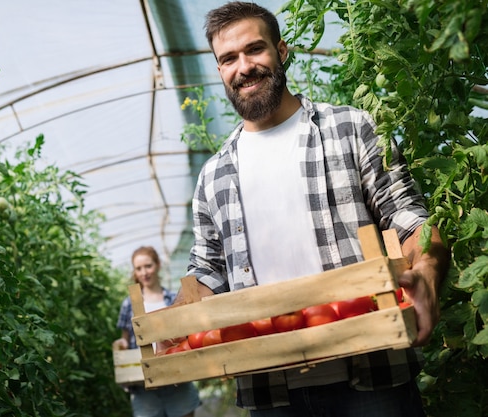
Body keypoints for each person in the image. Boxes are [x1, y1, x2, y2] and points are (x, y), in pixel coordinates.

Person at [175, 2, 451, 416]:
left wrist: (427, 273)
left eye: (255, 50)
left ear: (282, 51)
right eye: (229, 58)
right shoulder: (213, 176)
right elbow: (206, 271)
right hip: (270, 391)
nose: (244, 67)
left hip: (373, 375)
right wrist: (176, 319)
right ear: (219, 71)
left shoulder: (350, 129)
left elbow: (410, 220)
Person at [113, 246, 201, 417]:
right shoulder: (129, 304)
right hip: (144, 384)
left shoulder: (173, 300)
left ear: (158, 265)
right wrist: (120, 345)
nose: (144, 272)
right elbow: (125, 339)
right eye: (138, 268)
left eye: (148, 266)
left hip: (177, 378)